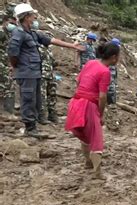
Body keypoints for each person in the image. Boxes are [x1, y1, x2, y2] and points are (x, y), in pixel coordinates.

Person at [8, 3, 85, 138]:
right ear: (26, 17)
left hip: (35, 72)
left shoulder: (32, 33)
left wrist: (72, 46)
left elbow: (50, 40)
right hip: (27, 73)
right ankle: (30, 129)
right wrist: (18, 68)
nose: (34, 17)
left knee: (36, 100)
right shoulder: (18, 33)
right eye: (32, 15)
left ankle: (33, 127)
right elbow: (13, 54)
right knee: (28, 99)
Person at [65, 43, 120, 179]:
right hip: (89, 105)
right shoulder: (105, 71)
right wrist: (100, 114)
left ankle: (88, 162)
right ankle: (97, 172)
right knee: (96, 138)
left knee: (84, 136)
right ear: (113, 57)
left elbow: (78, 81)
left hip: (76, 102)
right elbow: (102, 96)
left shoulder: (90, 63)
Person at [38, 32, 58, 124]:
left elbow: (52, 62)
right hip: (42, 75)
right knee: (42, 96)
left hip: (50, 75)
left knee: (52, 95)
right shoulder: (38, 48)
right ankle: (42, 117)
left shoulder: (48, 50)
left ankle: (52, 115)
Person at [0, 10, 16, 116]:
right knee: (8, 87)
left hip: (4, 63)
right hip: (2, 64)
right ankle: (7, 112)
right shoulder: (1, 32)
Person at [106, 38, 120, 105]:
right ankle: (110, 103)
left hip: (112, 68)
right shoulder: (109, 51)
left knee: (112, 86)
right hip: (109, 69)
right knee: (110, 88)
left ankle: (111, 102)